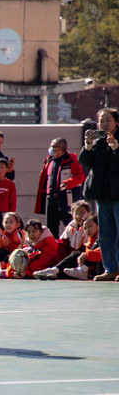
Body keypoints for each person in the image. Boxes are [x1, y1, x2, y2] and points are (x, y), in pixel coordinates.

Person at [78, 107, 119, 281]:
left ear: (116, 122)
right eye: (101, 121)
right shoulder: (98, 141)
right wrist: (87, 145)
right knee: (105, 234)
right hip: (102, 194)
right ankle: (110, 268)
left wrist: (116, 148)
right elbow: (85, 162)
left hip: (118, 193)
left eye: (107, 120)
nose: (104, 124)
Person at [34, 138, 85, 238]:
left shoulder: (71, 160)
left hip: (65, 198)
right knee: (51, 227)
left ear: (61, 148)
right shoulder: (49, 161)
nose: (51, 149)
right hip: (51, 198)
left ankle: (72, 246)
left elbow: (80, 177)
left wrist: (68, 183)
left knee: (70, 224)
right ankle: (54, 249)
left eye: (54, 147)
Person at [34, 214, 101, 280]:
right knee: (75, 256)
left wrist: (86, 255)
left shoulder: (102, 239)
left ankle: (81, 270)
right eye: (85, 228)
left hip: (100, 268)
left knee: (78, 254)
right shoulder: (90, 241)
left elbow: (99, 253)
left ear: (98, 225)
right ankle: (54, 271)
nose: (87, 230)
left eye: (90, 226)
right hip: (90, 268)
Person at [0, 211, 25, 278]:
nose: (8, 225)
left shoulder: (22, 235)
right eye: (6, 222)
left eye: (11, 222)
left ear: (18, 224)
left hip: (19, 259)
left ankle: (17, 272)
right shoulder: (2, 236)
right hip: (8, 259)